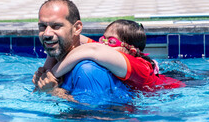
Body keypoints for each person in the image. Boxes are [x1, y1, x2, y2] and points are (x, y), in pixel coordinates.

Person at [33, 0, 134, 105]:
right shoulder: (57, 60)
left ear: (77, 28)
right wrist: (41, 85)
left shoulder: (87, 70)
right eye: (42, 27)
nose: (47, 34)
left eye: (56, 26)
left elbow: (95, 116)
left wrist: (52, 91)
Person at [47, 19, 185, 93]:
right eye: (103, 39)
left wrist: (51, 75)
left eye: (111, 41)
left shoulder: (139, 66)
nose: (104, 44)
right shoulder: (109, 49)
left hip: (174, 87)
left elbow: (93, 49)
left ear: (131, 51)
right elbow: (68, 38)